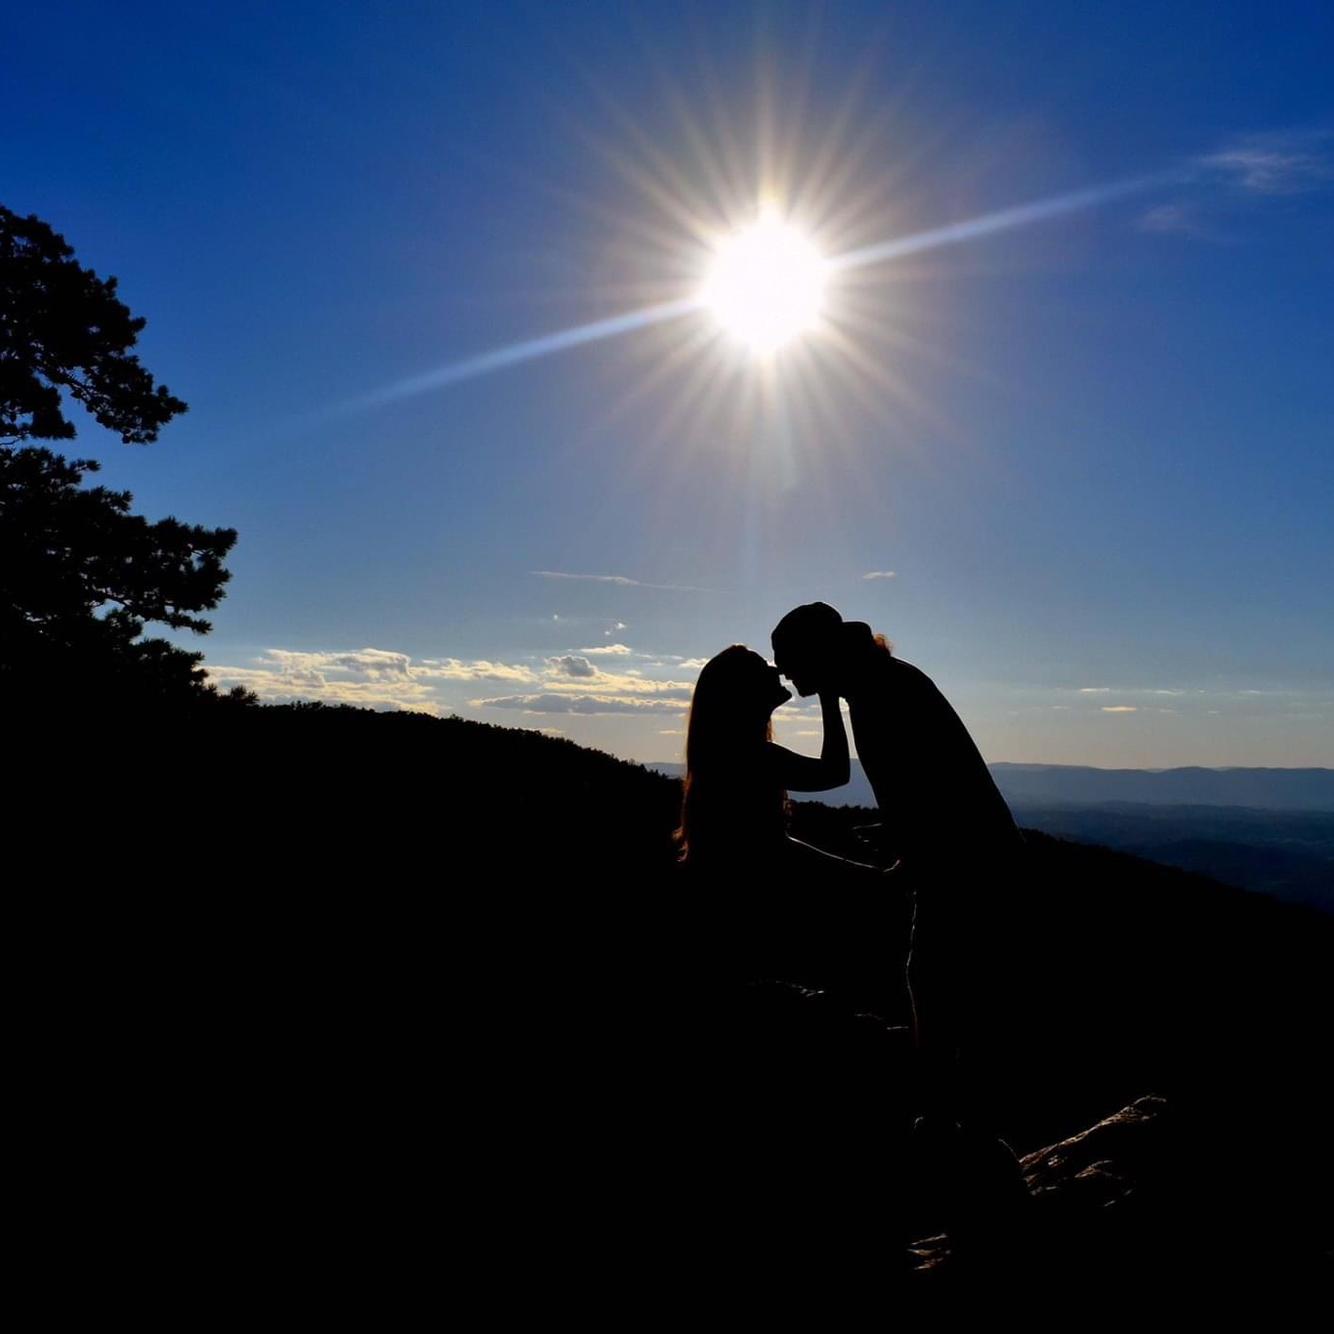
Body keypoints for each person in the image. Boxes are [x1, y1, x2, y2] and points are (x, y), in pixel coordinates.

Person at [770, 603, 1026, 1152]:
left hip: (966, 867)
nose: (786, 675)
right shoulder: (879, 683)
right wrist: (899, 829)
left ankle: (955, 1129)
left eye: (789, 661)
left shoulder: (878, 693)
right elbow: (934, 780)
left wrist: (910, 846)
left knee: (938, 983)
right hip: (977, 857)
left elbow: (932, 787)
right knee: (954, 985)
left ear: (816, 652)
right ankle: (966, 1124)